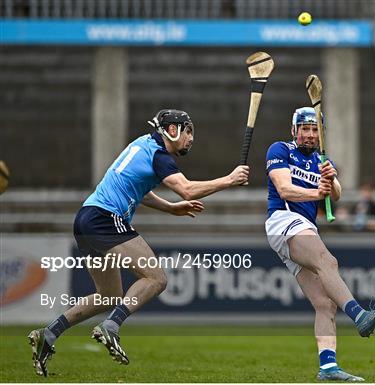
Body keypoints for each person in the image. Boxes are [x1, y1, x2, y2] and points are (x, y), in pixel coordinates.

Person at [28, 109, 249, 376]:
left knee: (108, 296)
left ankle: (49, 334)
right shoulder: (159, 155)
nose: (191, 138)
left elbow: (139, 189)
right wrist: (229, 179)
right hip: (104, 218)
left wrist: (170, 208)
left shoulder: (143, 144)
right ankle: (111, 327)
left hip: (86, 218)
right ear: (172, 130)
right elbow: (188, 189)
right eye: (187, 131)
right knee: (157, 278)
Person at [265, 107, 375, 382]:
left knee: (325, 303)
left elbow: (335, 195)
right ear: (294, 130)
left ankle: (328, 367)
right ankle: (360, 316)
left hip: (305, 227)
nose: (310, 134)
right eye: (305, 129)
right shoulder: (280, 150)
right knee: (328, 262)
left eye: (315, 130)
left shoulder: (321, 160)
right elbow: (285, 190)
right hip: (284, 219)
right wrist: (317, 190)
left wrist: (331, 177)